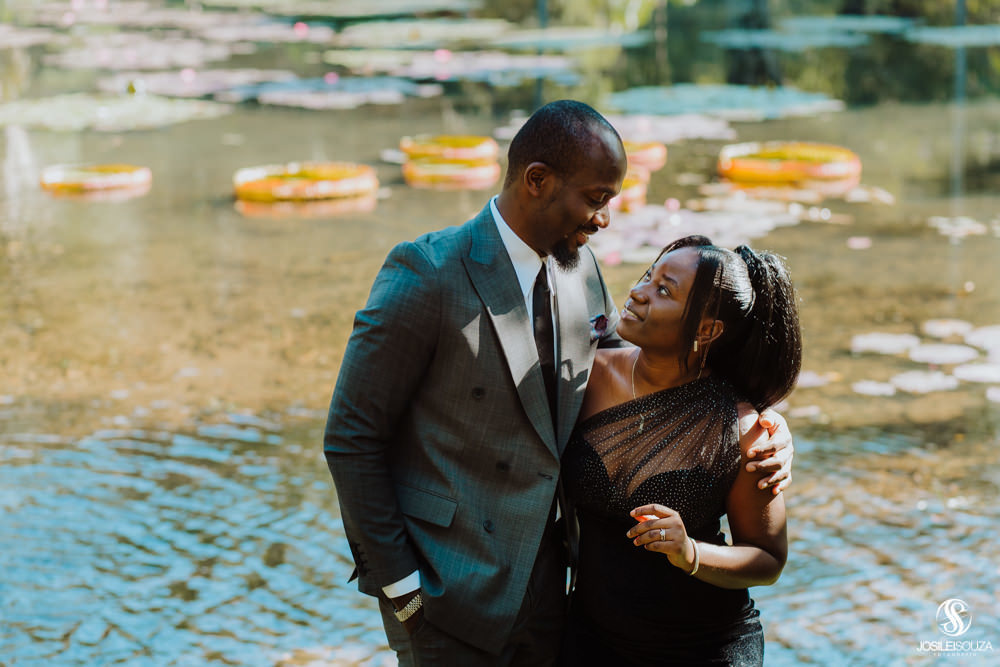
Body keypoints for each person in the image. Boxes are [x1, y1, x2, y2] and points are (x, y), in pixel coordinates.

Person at [323, 101, 794, 666]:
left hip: (556, 595)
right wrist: (402, 589)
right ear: (537, 180)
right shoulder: (428, 273)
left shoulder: (581, 269)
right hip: (445, 593)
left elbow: (643, 378)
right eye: (596, 198)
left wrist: (758, 421)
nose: (604, 219)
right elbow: (352, 438)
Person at [560, 235, 800, 666]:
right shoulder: (584, 377)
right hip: (589, 641)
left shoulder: (743, 429)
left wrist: (690, 552)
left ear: (707, 330)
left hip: (704, 649)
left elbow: (768, 559)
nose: (638, 292)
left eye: (664, 290)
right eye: (647, 276)